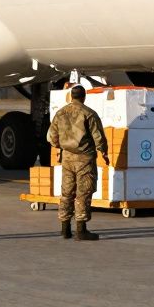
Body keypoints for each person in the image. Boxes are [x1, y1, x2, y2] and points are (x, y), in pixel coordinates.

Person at [48, 85, 109, 240]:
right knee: (83, 192)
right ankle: (81, 230)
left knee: (67, 192)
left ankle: (65, 228)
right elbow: (98, 137)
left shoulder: (60, 113)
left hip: (67, 159)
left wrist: (60, 146)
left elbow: (51, 137)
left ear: (71, 96)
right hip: (84, 160)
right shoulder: (89, 114)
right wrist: (104, 152)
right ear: (84, 97)